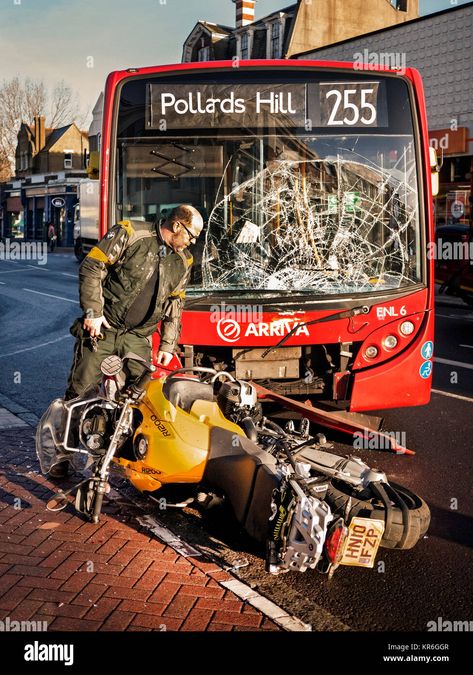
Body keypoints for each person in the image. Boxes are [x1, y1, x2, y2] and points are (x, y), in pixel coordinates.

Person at [50, 204, 203, 478]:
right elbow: (92, 266)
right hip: (104, 330)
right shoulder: (131, 233)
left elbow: (175, 304)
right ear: (177, 225)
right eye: (191, 235)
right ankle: (63, 454)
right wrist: (93, 312)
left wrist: (168, 344)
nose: (193, 242)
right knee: (80, 393)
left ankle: (123, 458)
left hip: (138, 337)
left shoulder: (184, 260)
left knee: (138, 396)